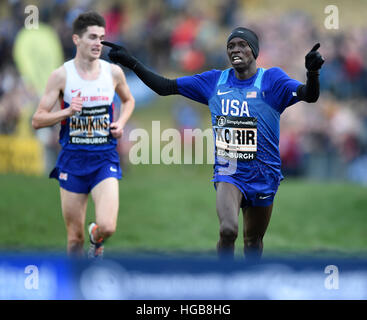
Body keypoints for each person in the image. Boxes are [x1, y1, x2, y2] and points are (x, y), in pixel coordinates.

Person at [102, 26, 324, 259]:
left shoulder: (272, 80)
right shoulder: (214, 81)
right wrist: (131, 62)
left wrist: (313, 73)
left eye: (242, 45)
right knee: (228, 230)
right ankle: (223, 281)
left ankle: (249, 287)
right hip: (229, 171)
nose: (235, 49)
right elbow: (165, 87)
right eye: (230, 46)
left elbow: (309, 94)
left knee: (253, 242)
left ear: (254, 51)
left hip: (264, 173)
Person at [32, 12, 135, 258]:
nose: (98, 43)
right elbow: (37, 119)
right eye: (92, 37)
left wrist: (120, 122)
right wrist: (66, 111)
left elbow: (128, 100)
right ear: (76, 39)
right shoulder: (62, 75)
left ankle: (96, 238)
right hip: (73, 160)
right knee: (74, 240)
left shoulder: (113, 73)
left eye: (101, 37)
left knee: (108, 226)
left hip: (104, 158)